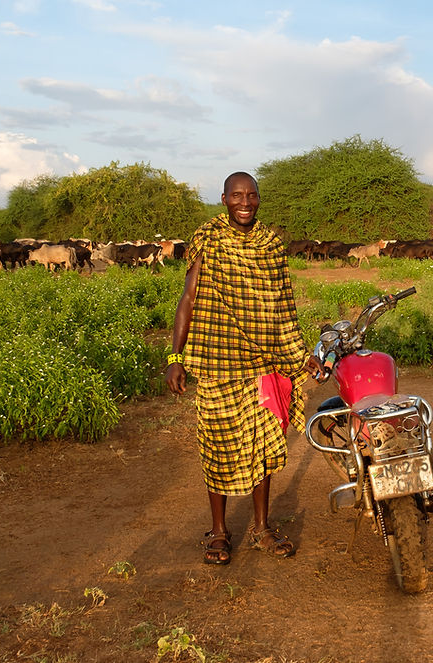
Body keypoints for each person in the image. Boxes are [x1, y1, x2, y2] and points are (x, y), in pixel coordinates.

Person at [165, 171, 322, 565]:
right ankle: (219, 533)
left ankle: (261, 529)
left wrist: (300, 356)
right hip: (218, 364)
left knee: (264, 447)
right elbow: (188, 297)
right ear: (223, 199)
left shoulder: (271, 245)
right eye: (237, 195)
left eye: (252, 195)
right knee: (217, 445)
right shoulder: (208, 239)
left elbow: (284, 308)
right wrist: (175, 356)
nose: (245, 202)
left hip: (263, 363)